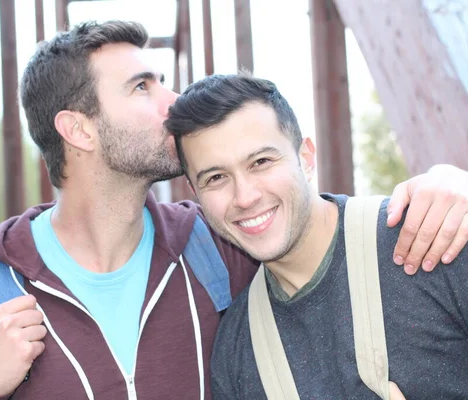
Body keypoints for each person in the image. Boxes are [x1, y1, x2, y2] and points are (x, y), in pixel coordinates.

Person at [0, 21, 468, 399]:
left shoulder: (215, 247)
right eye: (142, 87)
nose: (173, 102)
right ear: (77, 129)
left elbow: (314, 230)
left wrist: (448, 184)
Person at [166, 72, 468, 399]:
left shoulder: (430, 238)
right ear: (196, 194)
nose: (245, 196)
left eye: (261, 162)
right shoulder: (236, 351)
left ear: (306, 158)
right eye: (216, 178)